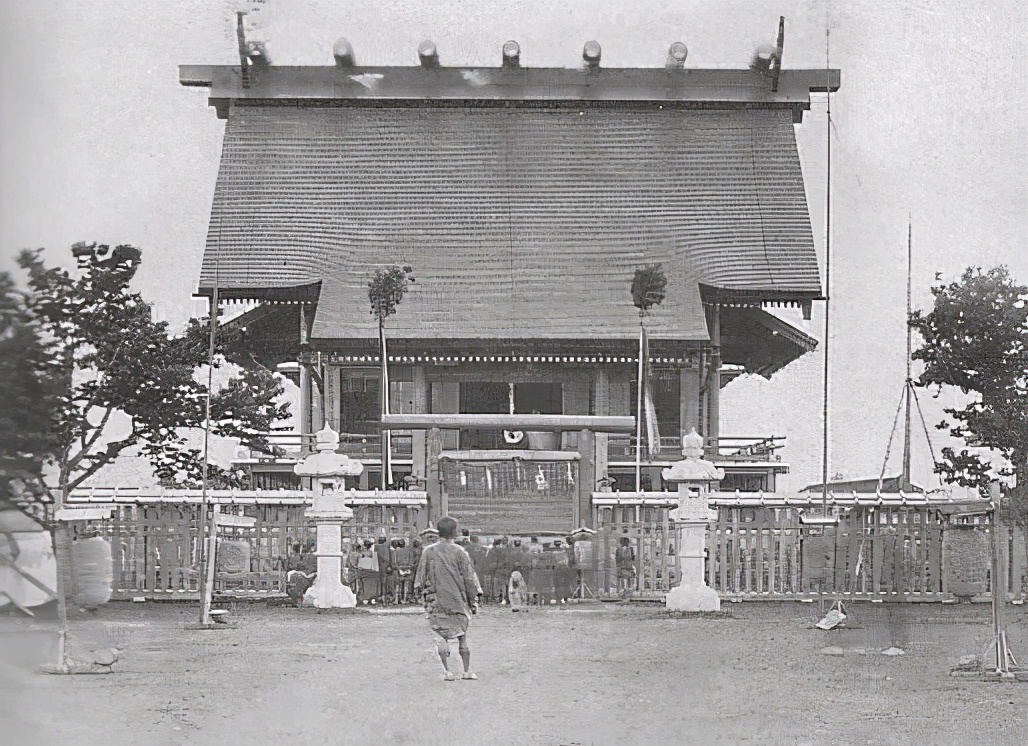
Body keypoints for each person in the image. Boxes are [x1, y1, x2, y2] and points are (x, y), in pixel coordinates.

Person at [414, 516, 482, 681]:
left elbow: (420, 577)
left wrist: (419, 594)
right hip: (457, 599)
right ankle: (466, 671)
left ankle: (447, 672)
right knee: (462, 637)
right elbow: (469, 578)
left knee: (441, 636)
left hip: (436, 599)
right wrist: (474, 599)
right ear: (455, 532)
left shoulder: (428, 551)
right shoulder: (460, 552)